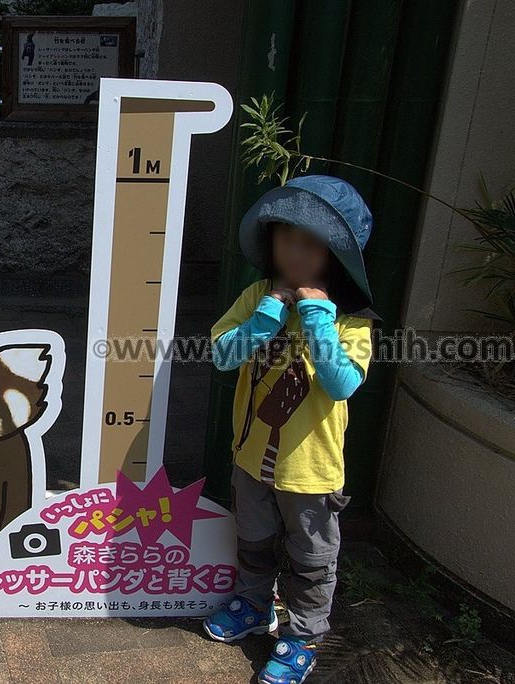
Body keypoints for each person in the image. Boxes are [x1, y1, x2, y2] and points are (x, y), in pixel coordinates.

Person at [203, 176, 375, 683]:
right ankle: (255, 606)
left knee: (311, 559)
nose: (295, 251)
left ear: (335, 254)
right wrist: (270, 312)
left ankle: (301, 636)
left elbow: (342, 383)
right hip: (251, 459)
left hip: (312, 473)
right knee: (253, 540)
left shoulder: (352, 318)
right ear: (271, 239)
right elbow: (222, 355)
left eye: (311, 242)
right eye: (286, 237)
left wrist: (317, 313)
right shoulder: (257, 294)